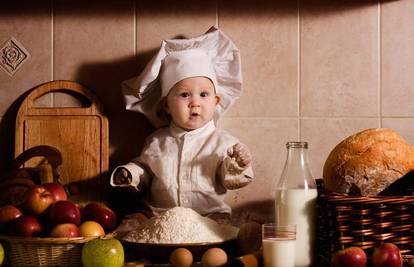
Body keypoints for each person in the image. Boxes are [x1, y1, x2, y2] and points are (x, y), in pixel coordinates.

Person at [110, 26, 254, 225]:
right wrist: (130, 173)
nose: (195, 102)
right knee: (133, 224)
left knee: (223, 228)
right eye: (184, 95)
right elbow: (145, 169)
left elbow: (231, 179)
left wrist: (238, 164)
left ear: (216, 101)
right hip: (161, 217)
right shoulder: (156, 141)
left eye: (204, 95)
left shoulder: (223, 143)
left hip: (208, 219)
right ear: (166, 105)